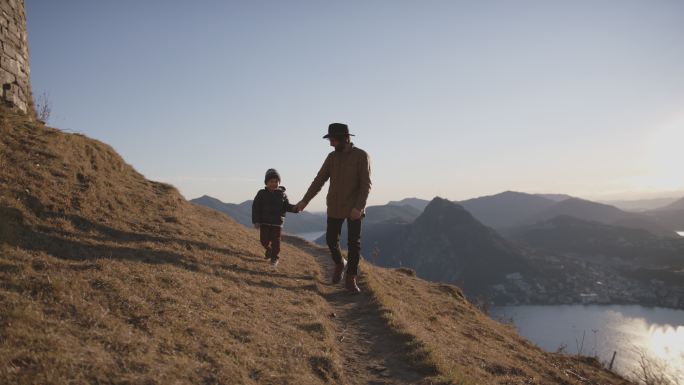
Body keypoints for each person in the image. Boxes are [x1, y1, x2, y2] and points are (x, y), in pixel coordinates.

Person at [295, 123, 371, 294]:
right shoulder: (331, 158)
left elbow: (366, 185)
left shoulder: (361, 156)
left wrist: (359, 207)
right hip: (334, 206)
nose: (330, 143)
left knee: (354, 244)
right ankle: (340, 263)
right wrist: (305, 201)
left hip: (354, 208)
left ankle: (351, 278)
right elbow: (319, 180)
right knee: (330, 240)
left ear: (344, 138)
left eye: (333, 140)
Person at [252, 168, 299, 267]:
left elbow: (286, 206)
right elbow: (256, 207)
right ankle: (269, 250)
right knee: (264, 241)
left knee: (276, 241)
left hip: (277, 223)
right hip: (264, 222)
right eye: (271, 181)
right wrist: (256, 221)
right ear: (266, 182)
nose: (274, 183)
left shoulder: (282, 194)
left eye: (276, 181)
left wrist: (295, 208)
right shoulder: (261, 193)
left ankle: (274, 258)